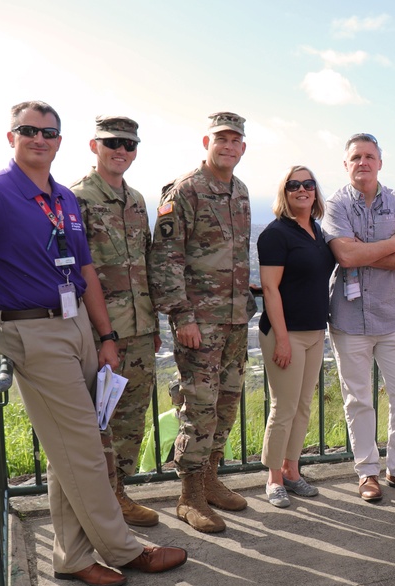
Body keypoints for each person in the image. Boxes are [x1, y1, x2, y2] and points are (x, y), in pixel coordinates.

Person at [0, 100, 186, 586]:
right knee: (85, 447)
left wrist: (106, 335)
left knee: (70, 448)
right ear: (11, 137)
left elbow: (85, 272)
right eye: (28, 130)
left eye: (48, 132)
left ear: (60, 142)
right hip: (30, 332)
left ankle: (71, 556)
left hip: (77, 327)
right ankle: (124, 549)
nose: (39, 139)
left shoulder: (63, 198)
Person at [149, 112, 256, 533]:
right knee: (198, 407)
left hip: (233, 320)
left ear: (243, 147)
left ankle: (211, 479)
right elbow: (166, 260)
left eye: (235, 140)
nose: (228, 146)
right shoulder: (185, 191)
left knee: (227, 401)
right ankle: (188, 496)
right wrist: (182, 317)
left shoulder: (241, 191)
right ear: (206, 142)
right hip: (199, 324)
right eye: (221, 139)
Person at [322, 133, 395, 502]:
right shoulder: (335, 204)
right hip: (349, 319)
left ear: (380, 163)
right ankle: (367, 472)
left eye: (369, 156)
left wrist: (363, 252)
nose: (363, 162)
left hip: (390, 317)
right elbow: (346, 258)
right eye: (356, 157)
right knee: (358, 400)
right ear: (346, 164)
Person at [71, 115, 160, 527]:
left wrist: (154, 324)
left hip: (140, 330)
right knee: (97, 420)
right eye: (112, 143)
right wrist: (104, 334)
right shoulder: (76, 199)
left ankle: (118, 494)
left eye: (128, 144)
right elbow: (76, 271)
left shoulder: (138, 200)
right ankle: (98, 504)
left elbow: (146, 264)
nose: (120, 151)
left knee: (130, 418)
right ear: (95, 146)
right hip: (99, 332)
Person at [257, 166, 336, 508]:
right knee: (284, 407)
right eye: (294, 185)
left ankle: (292, 470)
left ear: (315, 192)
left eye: (308, 184)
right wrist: (284, 339)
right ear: (284, 192)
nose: (301, 189)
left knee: (302, 406)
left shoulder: (317, 231)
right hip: (284, 333)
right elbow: (271, 289)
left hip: (316, 331)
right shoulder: (276, 234)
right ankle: (273, 478)